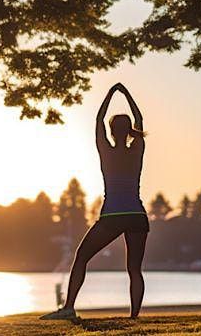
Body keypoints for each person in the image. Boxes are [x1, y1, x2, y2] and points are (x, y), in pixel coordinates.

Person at [41, 82, 149, 320]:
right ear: (129, 130)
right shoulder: (137, 149)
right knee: (134, 269)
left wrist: (111, 93)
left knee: (81, 257)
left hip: (112, 216)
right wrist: (128, 94)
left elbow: (98, 120)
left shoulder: (106, 151)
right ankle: (134, 317)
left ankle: (69, 308)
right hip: (137, 216)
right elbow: (139, 120)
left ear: (111, 132)